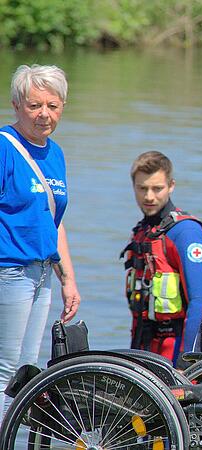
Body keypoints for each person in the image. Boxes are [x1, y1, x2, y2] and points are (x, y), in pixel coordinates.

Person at [0, 64, 81, 414]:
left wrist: (68, 279)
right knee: (5, 368)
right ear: (17, 105)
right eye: (34, 105)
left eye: (52, 105)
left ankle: (10, 435)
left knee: (27, 371)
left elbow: (54, 222)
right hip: (9, 271)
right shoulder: (4, 147)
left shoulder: (55, 153)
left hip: (43, 273)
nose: (43, 114)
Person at [121, 151, 202, 367]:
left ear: (171, 185)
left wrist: (187, 362)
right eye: (142, 188)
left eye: (157, 188)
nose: (149, 197)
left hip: (175, 350)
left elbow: (200, 302)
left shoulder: (186, 233)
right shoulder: (144, 231)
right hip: (143, 348)